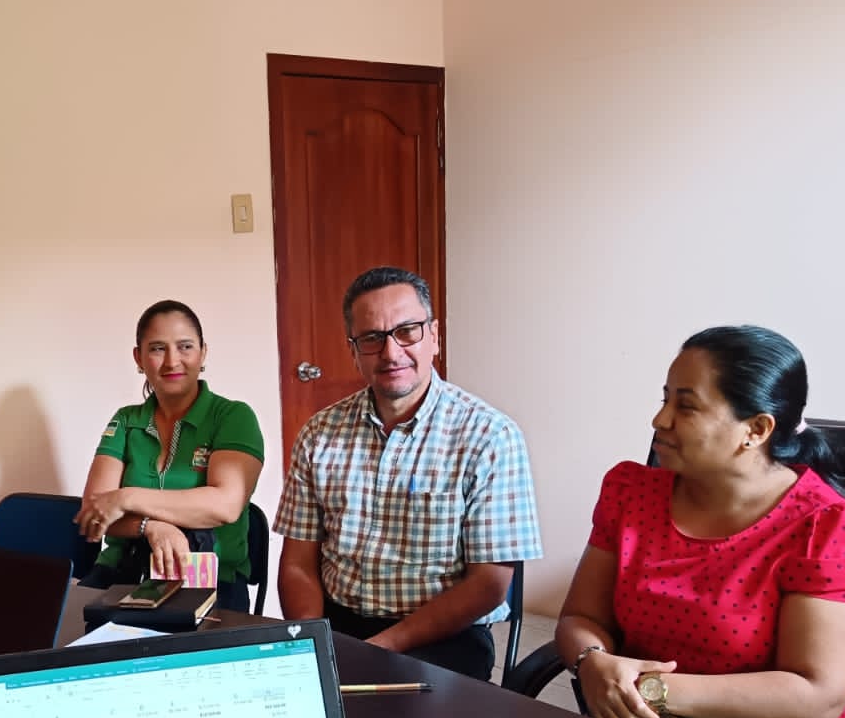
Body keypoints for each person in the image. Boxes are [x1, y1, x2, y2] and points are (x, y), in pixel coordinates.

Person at [553, 326, 845, 718]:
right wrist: (591, 660)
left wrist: (650, 689)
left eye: (686, 406)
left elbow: (817, 695)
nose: (660, 420)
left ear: (756, 430)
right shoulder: (630, 492)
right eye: (664, 399)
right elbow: (580, 616)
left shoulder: (833, 530)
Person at [275, 266, 542, 680]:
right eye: (372, 338)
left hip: (444, 636)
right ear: (353, 350)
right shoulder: (319, 433)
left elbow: (489, 583)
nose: (390, 352)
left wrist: (381, 648)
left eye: (407, 331)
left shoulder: (490, 436)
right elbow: (297, 564)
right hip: (337, 625)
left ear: (434, 335)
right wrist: (311, 643)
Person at [74, 300, 265, 612]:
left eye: (185, 346)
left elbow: (225, 505)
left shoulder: (233, 416)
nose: (172, 361)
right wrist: (150, 526)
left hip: (208, 582)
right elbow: (95, 512)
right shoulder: (125, 420)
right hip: (122, 576)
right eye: (157, 348)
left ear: (203, 353)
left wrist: (125, 498)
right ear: (138, 358)